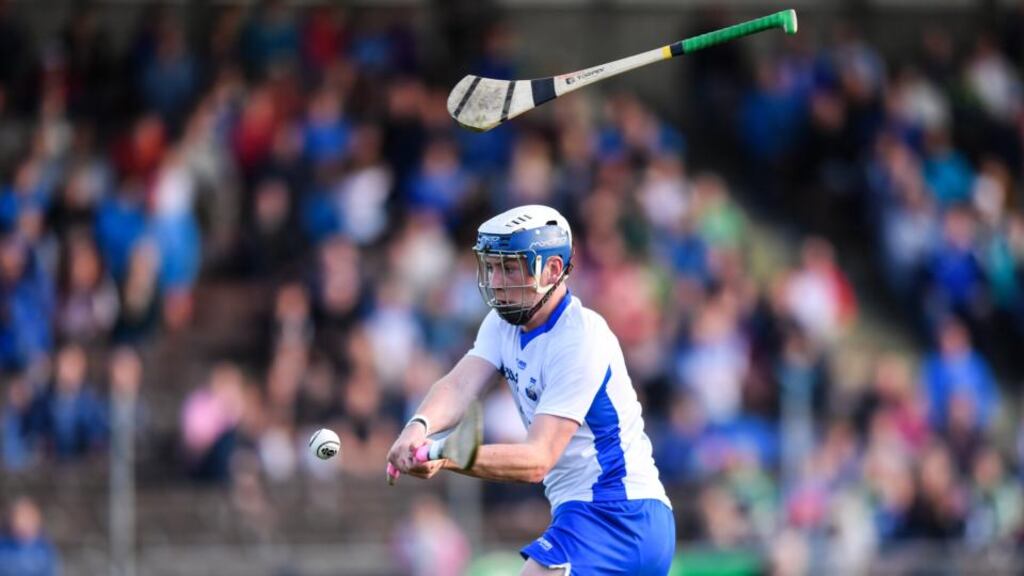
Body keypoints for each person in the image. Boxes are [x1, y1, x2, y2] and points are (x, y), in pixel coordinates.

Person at [387, 205, 675, 575]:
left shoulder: (580, 337)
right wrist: (418, 427)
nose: (495, 280)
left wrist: (444, 454)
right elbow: (459, 384)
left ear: (552, 269)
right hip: (589, 515)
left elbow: (537, 459)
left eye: (508, 268)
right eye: (491, 266)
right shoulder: (503, 323)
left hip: (619, 516)